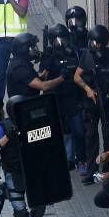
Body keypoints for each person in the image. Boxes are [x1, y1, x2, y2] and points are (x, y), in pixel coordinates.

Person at [0, 100, 44, 217]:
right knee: (18, 208)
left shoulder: (32, 119)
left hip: (32, 170)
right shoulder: (3, 126)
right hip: (13, 172)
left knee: (40, 203)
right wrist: (8, 136)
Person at [74, 25, 109, 183]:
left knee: (108, 134)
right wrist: (87, 89)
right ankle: (91, 170)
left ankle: (107, 169)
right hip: (90, 102)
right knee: (90, 136)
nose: (93, 45)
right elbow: (77, 76)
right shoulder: (86, 55)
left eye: (95, 42)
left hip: (107, 102)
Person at [39, 24, 82, 170]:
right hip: (54, 98)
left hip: (72, 97)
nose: (60, 43)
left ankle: (77, 158)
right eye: (56, 40)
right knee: (59, 130)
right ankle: (64, 158)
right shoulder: (48, 57)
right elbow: (42, 78)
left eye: (62, 39)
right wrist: (49, 62)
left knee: (77, 130)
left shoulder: (74, 53)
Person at [5, 32, 65, 99]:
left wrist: (47, 68)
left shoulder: (22, 62)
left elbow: (36, 79)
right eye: (33, 47)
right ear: (25, 49)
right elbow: (43, 86)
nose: (36, 50)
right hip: (25, 106)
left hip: (29, 102)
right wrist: (63, 77)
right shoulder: (19, 68)